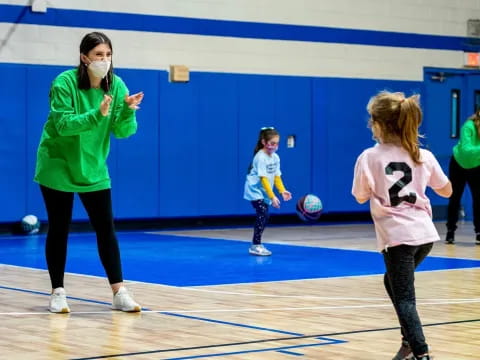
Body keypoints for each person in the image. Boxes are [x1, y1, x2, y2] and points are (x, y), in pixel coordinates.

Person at [34, 32, 144, 313]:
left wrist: (129, 111)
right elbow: (63, 125)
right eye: (98, 55)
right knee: (59, 227)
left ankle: (119, 291)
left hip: (94, 166)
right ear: (84, 57)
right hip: (58, 163)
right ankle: (58, 291)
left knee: (106, 228)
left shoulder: (117, 86)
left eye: (108, 55)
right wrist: (98, 114)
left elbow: (123, 131)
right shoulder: (65, 83)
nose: (104, 61)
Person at [351, 91, 452, 360]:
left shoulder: (370, 157)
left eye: (372, 121)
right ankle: (408, 342)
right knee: (392, 282)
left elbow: (359, 195)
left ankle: (420, 352)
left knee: (405, 298)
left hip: (398, 239)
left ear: (380, 124)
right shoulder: (423, 154)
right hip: (424, 236)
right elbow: (447, 191)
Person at [243, 127, 292, 256]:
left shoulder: (275, 157)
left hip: (265, 191)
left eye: (276, 143)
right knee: (262, 214)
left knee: (265, 216)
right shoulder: (260, 157)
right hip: (254, 190)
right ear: (264, 142)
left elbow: (276, 177)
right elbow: (263, 179)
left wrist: (282, 191)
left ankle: (256, 244)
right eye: (271, 143)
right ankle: (256, 245)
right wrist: (273, 196)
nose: (274, 146)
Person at [445, 109, 480, 245]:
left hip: (477, 164)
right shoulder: (468, 126)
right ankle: (450, 231)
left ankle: (479, 232)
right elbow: (466, 149)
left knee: (479, 198)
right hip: (459, 163)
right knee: (454, 197)